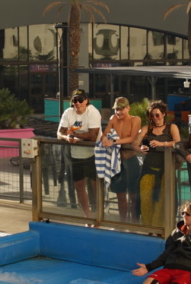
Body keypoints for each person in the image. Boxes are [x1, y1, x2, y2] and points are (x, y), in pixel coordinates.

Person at [132, 202, 191, 284]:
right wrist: (148, 267)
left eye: (188, 214)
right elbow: (166, 254)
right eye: (183, 213)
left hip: (187, 271)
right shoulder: (176, 232)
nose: (184, 216)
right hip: (169, 269)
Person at [57, 92, 102, 221]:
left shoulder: (93, 112)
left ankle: (99, 215)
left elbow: (93, 136)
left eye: (80, 100)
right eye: (75, 100)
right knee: (79, 186)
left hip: (94, 153)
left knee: (95, 186)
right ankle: (87, 217)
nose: (77, 103)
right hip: (75, 155)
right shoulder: (68, 112)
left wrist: (74, 134)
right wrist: (67, 137)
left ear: (86, 100)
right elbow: (59, 133)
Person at [137, 104, 182, 229]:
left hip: (165, 170)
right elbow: (137, 140)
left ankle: (160, 228)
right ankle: (148, 227)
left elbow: (178, 142)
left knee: (161, 202)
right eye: (152, 115)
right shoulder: (147, 128)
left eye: (157, 114)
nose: (155, 117)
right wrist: (140, 147)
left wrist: (162, 143)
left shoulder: (171, 127)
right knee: (145, 200)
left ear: (163, 114)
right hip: (148, 169)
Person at [103, 97, 144, 222]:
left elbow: (132, 139)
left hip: (131, 160)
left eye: (121, 109)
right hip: (117, 161)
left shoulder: (135, 119)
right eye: (116, 109)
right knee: (120, 195)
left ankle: (134, 223)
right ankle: (122, 223)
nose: (118, 112)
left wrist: (114, 141)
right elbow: (105, 135)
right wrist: (106, 139)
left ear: (128, 108)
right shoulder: (113, 119)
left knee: (133, 195)